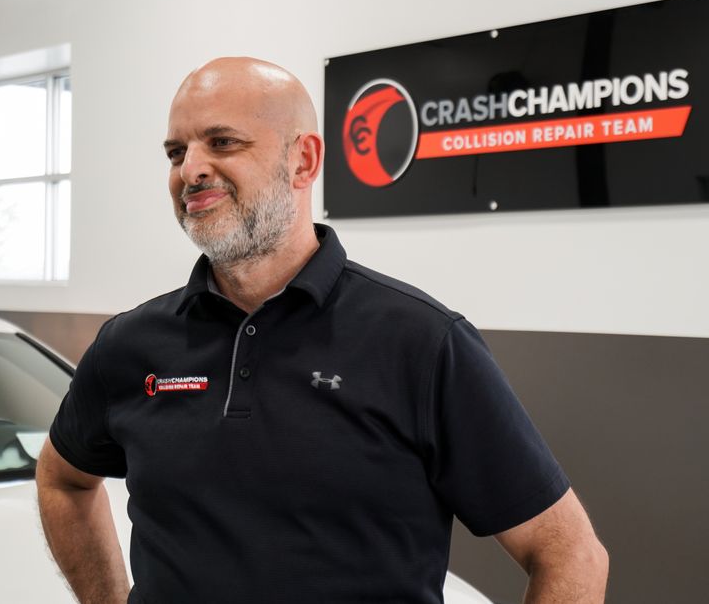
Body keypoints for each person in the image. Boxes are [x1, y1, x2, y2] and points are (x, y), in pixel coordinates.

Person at [36, 57, 608, 603]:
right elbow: (62, 479)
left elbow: (570, 554)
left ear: (304, 161)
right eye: (175, 152)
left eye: (223, 142)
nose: (190, 170)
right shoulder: (129, 346)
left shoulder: (422, 342)